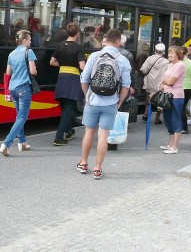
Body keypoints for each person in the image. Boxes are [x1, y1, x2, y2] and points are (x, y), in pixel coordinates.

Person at [77, 29, 131, 180]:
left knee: (89, 133)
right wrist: (119, 102)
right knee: (103, 136)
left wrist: (88, 96)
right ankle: (98, 168)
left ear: (106, 40)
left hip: (92, 101)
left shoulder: (94, 56)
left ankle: (83, 163)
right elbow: (126, 85)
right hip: (111, 102)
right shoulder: (123, 60)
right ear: (118, 41)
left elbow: (84, 79)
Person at [0, 30, 37, 156]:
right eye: (30, 39)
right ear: (25, 40)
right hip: (24, 88)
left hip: (13, 88)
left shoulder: (11, 54)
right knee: (22, 117)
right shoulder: (29, 52)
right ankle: (6, 144)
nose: (31, 42)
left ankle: (22, 143)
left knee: (19, 116)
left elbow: (8, 73)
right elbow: (33, 71)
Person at [50, 23, 86, 146]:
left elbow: (52, 62)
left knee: (65, 108)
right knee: (68, 108)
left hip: (61, 78)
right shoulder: (77, 47)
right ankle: (58, 137)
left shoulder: (60, 45)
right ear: (77, 34)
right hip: (72, 79)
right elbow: (82, 66)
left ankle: (69, 131)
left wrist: (64, 66)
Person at [157, 46, 186, 154]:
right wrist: (165, 81)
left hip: (176, 96)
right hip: (167, 95)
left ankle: (175, 146)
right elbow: (165, 80)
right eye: (169, 53)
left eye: (172, 53)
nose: (170, 55)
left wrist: (165, 82)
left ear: (178, 54)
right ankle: (170, 144)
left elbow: (170, 81)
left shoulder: (180, 65)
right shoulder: (170, 65)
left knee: (176, 120)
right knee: (168, 120)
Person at [140, 43, 170, 125]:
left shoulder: (149, 59)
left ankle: (145, 113)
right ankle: (157, 118)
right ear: (163, 51)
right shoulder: (166, 62)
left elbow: (143, 69)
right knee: (160, 100)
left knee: (148, 97)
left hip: (150, 82)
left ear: (155, 50)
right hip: (160, 83)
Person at [181, 47, 191, 132]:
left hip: (179, 87)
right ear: (187, 53)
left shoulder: (179, 62)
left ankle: (183, 127)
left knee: (181, 107)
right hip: (188, 87)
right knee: (183, 106)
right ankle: (184, 127)